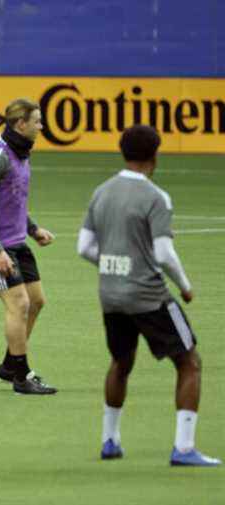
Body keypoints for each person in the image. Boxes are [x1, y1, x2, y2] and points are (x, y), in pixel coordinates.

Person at [77, 125, 220, 466]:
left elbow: (84, 247)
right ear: (155, 155)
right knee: (189, 362)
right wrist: (184, 286)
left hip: (110, 295)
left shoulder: (102, 192)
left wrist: (115, 264)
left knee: (121, 362)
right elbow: (164, 253)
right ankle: (184, 448)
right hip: (149, 297)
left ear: (122, 151)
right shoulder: (157, 197)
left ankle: (110, 441)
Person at [0, 98, 57, 395]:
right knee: (18, 304)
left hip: (16, 242)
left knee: (37, 301)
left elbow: (14, 199)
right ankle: (20, 376)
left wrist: (33, 229)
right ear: (21, 124)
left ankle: (9, 364)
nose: (41, 126)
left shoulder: (22, 154)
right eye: (37, 121)